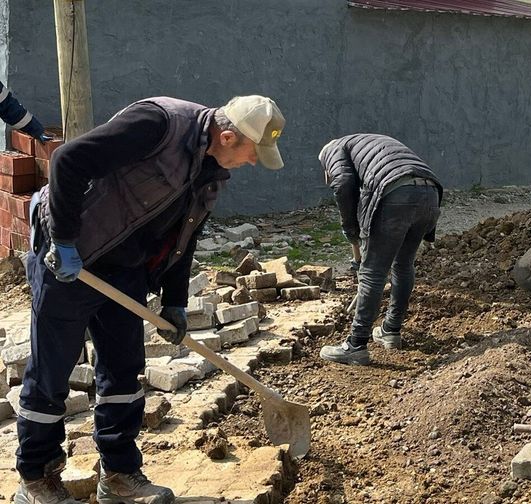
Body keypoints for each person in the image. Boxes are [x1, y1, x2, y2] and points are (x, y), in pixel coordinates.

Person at [18, 95, 285, 504]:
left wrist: (174, 300)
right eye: (253, 153)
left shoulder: (211, 173)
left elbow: (184, 236)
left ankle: (120, 475)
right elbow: (68, 160)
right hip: (70, 261)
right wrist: (64, 240)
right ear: (228, 136)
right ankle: (37, 480)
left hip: (124, 268)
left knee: (124, 374)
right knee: (51, 374)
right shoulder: (158, 123)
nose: (253, 163)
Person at [317, 134, 442, 366]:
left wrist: (350, 229)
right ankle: (391, 331)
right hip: (430, 193)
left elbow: (343, 185)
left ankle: (356, 345)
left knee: (373, 271)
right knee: (403, 264)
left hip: (397, 193)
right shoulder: (365, 144)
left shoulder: (331, 150)